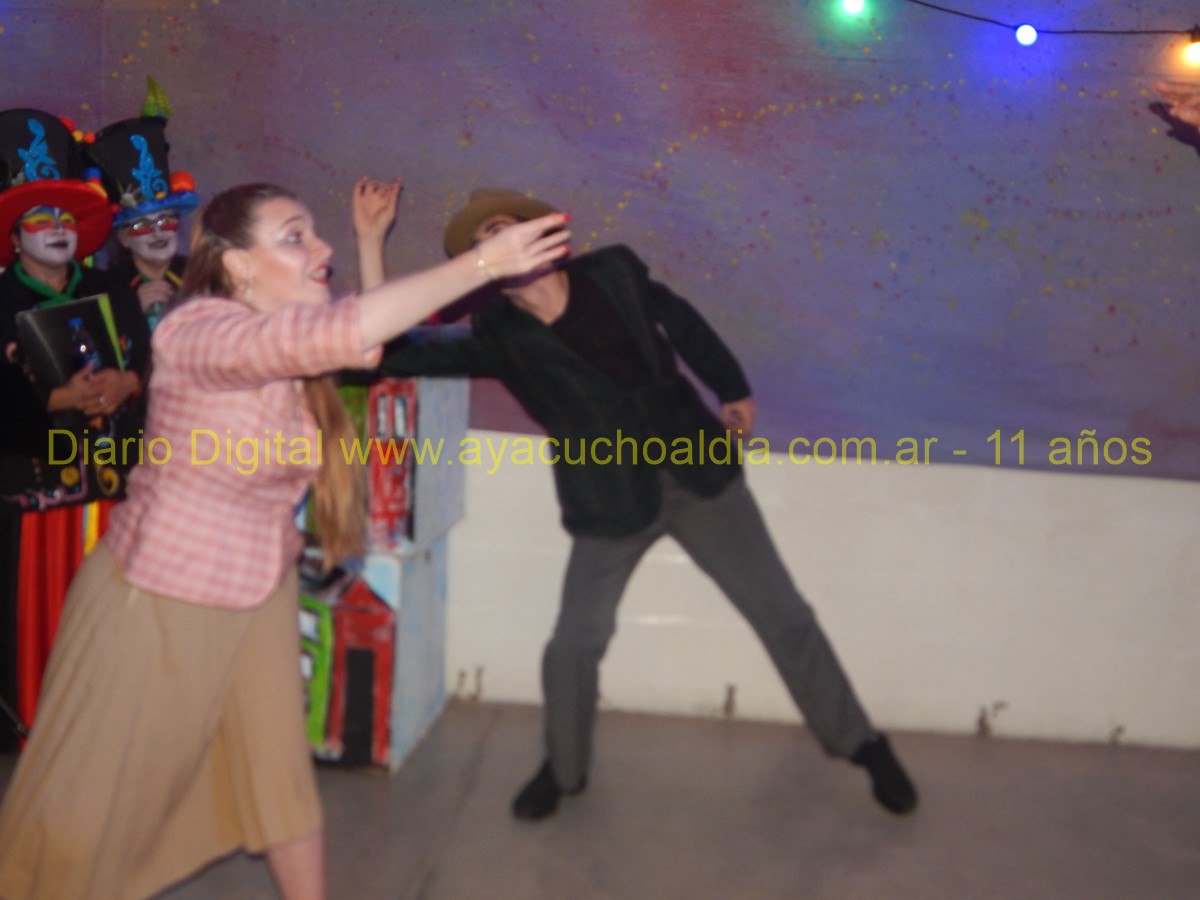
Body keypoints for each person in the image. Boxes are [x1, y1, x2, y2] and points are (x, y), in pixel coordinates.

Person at [0, 181, 568, 899]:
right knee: (86, 809)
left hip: (258, 586)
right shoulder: (196, 332)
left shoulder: (285, 334)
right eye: (295, 236)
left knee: (279, 775)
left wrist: (369, 240)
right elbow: (344, 332)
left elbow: (367, 338)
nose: (319, 246)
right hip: (163, 596)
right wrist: (484, 264)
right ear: (237, 264)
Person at [362, 186, 919, 822]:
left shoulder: (613, 272)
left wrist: (731, 385)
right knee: (574, 644)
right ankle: (563, 769)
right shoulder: (498, 336)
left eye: (508, 227)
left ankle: (863, 744)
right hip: (609, 505)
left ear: (540, 237)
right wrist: (372, 243)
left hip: (700, 477)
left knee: (783, 614)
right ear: (481, 266)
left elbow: (681, 321)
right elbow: (385, 352)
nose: (502, 241)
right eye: (486, 240)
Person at [0, 107, 150, 737]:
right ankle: (33, 721)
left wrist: (128, 382)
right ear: (15, 236)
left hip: (113, 480)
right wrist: (54, 400)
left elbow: (151, 363)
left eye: (66, 218)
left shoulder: (113, 287)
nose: (58, 230)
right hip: (30, 490)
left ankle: (115, 716)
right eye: (42, 219)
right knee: (31, 608)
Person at [87, 113, 200, 332]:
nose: (158, 233)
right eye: (142, 226)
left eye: (165, 221)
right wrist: (131, 310)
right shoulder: (104, 288)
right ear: (124, 238)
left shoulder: (198, 275)